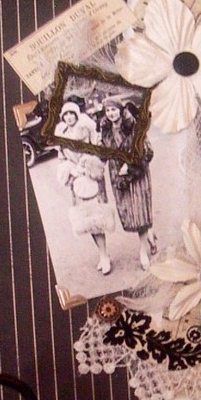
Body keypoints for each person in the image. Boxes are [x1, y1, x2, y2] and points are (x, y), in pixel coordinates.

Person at [55, 101, 115, 275]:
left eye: (71, 114)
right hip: (77, 181)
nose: (69, 117)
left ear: (77, 114)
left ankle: (104, 255)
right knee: (86, 219)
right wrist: (71, 170)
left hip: (91, 177)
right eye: (66, 114)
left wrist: (87, 165)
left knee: (97, 217)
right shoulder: (61, 134)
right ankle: (103, 254)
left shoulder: (87, 128)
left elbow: (98, 151)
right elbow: (61, 159)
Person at [99, 97, 157, 270]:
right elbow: (103, 155)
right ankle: (150, 234)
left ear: (121, 109)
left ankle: (143, 251)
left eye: (114, 109)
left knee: (140, 213)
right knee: (129, 214)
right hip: (118, 177)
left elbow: (148, 151)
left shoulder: (133, 125)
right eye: (108, 110)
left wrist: (130, 165)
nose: (111, 113)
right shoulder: (105, 130)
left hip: (137, 175)